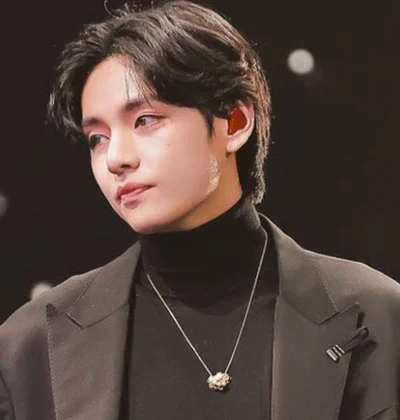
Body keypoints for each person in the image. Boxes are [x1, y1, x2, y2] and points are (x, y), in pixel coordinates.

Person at [0, 1, 399, 419]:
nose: (115, 158)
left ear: (235, 122)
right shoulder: (29, 347)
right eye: (97, 138)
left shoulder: (378, 317)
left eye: (145, 120)